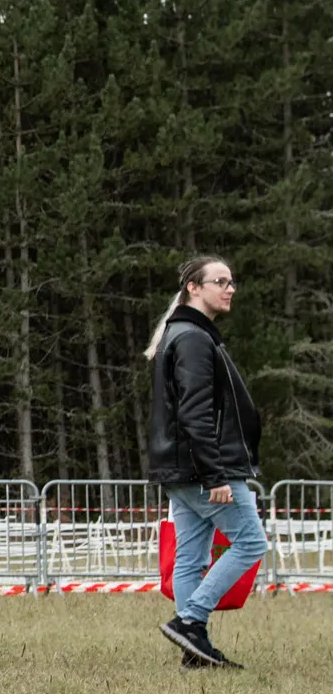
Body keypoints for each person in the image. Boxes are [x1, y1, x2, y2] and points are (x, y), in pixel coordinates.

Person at [146, 254, 263, 670]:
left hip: (182, 468)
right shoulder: (194, 339)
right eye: (220, 281)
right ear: (194, 288)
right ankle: (190, 621)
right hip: (206, 469)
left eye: (232, 281)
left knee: (192, 558)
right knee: (251, 543)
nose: (230, 288)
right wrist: (215, 473)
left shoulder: (182, 333)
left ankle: (194, 653)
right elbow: (195, 413)